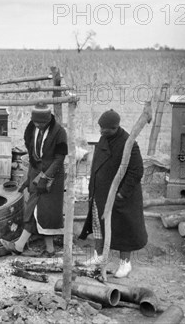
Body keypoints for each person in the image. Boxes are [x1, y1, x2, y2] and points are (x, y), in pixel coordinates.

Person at [79, 109, 147, 278]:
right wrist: (92, 187)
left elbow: (136, 171)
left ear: (115, 127)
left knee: (124, 229)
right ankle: (99, 256)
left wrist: (121, 194)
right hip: (100, 194)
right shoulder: (104, 138)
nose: (101, 131)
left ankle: (125, 263)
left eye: (105, 129)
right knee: (98, 225)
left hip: (121, 197)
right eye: (100, 128)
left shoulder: (129, 143)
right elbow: (97, 164)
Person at [0, 103, 68, 258]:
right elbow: (32, 157)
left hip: (53, 176)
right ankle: (41, 249)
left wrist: (46, 176)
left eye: (42, 123)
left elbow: (59, 159)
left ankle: (22, 246)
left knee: (45, 212)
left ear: (49, 120)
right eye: (36, 122)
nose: (39, 125)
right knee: (33, 208)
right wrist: (28, 179)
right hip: (36, 173)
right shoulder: (31, 129)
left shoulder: (59, 132)